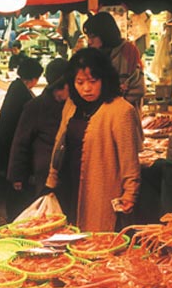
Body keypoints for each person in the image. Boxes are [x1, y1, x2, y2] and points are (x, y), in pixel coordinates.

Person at [45, 48, 141, 232]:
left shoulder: (121, 110)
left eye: (92, 81)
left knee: (95, 243)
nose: (86, 88)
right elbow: (60, 143)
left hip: (101, 191)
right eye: (79, 82)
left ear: (104, 80)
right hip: (68, 186)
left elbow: (129, 158)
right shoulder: (72, 104)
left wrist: (130, 193)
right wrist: (51, 179)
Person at [7, 58, 71, 214]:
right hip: (45, 173)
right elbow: (21, 142)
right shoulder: (35, 106)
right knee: (47, 215)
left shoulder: (75, 106)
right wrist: (17, 176)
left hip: (70, 172)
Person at [0, 57, 44, 219]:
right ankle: (15, 220)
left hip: (9, 148)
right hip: (13, 150)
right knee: (17, 190)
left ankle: (13, 218)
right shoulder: (23, 95)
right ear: (34, 78)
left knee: (14, 189)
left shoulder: (15, 87)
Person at [83, 12, 146, 113]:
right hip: (98, 116)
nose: (89, 41)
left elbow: (139, 88)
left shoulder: (128, 51)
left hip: (124, 115)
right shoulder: (91, 56)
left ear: (105, 34)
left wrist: (112, 102)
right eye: (88, 37)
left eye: (93, 37)